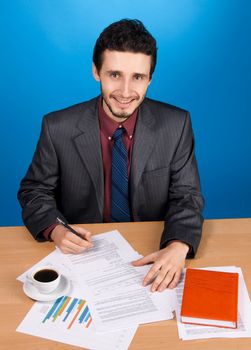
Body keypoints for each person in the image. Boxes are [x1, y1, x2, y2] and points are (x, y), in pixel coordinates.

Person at [18, 19, 204, 292]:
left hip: (150, 250)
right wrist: (56, 229)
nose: (126, 92)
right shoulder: (57, 127)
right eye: (115, 75)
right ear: (96, 71)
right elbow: (34, 191)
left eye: (138, 77)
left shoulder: (177, 125)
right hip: (83, 257)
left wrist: (177, 246)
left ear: (150, 78)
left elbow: (187, 196)